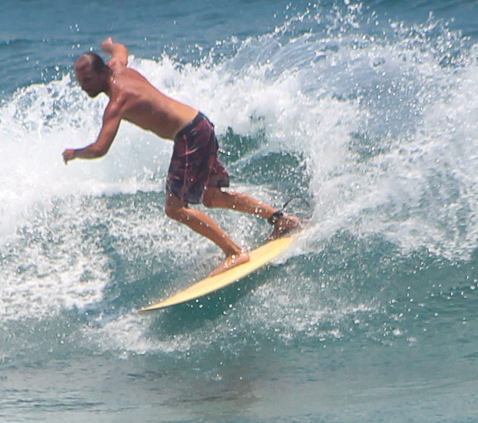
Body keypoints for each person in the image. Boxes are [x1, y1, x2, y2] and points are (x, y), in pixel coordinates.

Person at [63, 38, 301, 276]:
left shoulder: (118, 101)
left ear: (103, 72)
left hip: (189, 135)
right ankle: (281, 219)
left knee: (175, 208)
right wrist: (109, 45)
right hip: (200, 123)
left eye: (87, 80)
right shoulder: (119, 68)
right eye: (79, 81)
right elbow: (121, 50)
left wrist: (75, 153)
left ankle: (235, 253)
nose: (83, 86)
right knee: (212, 196)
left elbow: (100, 148)